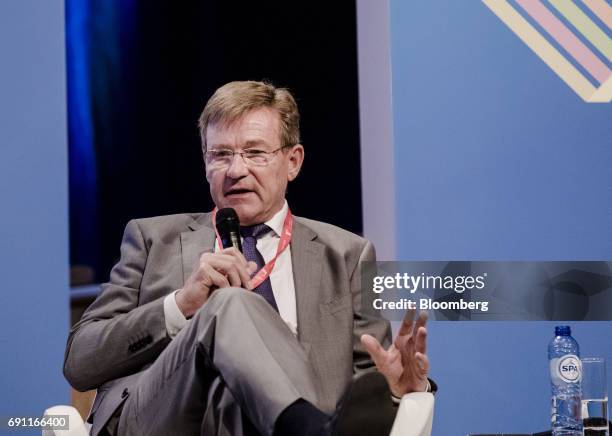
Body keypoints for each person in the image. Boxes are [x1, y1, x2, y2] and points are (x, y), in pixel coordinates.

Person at [64, 81, 433, 436]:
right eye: (221, 154)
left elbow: (366, 395)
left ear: (293, 161)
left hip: (292, 417)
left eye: (255, 152)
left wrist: (398, 389)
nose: (236, 170)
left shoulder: (348, 256)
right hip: (161, 422)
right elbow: (80, 361)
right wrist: (179, 306)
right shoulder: (151, 240)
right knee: (229, 303)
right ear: (205, 162)